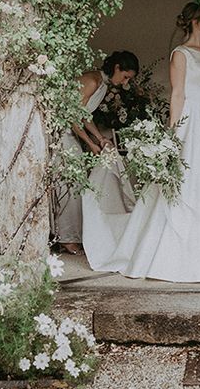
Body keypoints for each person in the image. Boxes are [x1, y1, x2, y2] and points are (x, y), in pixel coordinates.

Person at [83, 3, 200, 281]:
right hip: (191, 124)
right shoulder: (180, 55)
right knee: (186, 183)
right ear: (195, 22)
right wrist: (172, 136)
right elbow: (178, 96)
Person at [53, 51, 139, 255]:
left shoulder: (101, 83)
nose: (125, 82)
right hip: (61, 136)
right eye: (125, 76)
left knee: (77, 182)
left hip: (71, 134)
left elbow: (85, 117)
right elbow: (72, 118)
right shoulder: (92, 81)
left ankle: (72, 235)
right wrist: (90, 143)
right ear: (117, 67)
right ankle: (66, 238)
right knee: (71, 183)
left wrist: (100, 138)